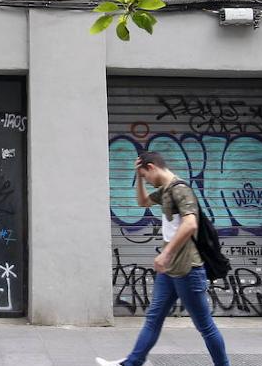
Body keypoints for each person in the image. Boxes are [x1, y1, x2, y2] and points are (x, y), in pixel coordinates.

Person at [97, 151, 230, 366]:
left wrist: (165, 254)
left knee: (204, 325)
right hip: (170, 270)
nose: (147, 180)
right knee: (154, 318)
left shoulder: (180, 190)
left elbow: (190, 224)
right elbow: (142, 202)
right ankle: (132, 363)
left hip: (188, 269)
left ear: (152, 167)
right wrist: (139, 178)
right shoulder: (165, 191)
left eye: (146, 175)